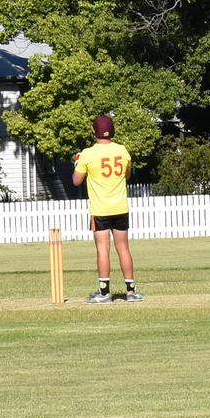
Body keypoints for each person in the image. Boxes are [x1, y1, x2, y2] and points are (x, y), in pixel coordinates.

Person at [72, 114, 142, 303]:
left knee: (103, 249)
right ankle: (131, 291)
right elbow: (126, 175)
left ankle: (104, 293)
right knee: (124, 248)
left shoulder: (88, 153)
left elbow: (76, 181)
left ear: (94, 131)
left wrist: (77, 163)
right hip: (120, 206)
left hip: (101, 209)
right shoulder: (122, 150)